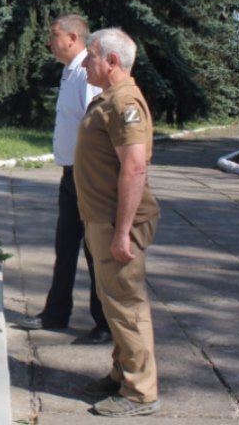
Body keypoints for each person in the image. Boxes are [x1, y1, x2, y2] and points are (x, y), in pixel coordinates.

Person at [74, 28, 161, 417]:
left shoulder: (124, 101)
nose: (84, 62)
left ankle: (140, 392)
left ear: (111, 62)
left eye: (90, 55)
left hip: (117, 222)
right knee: (112, 304)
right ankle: (121, 374)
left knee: (127, 306)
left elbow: (135, 166)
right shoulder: (107, 98)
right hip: (102, 220)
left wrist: (123, 232)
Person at [18, 15, 111, 345]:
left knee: (93, 250)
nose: (49, 41)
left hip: (87, 176)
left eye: (53, 35)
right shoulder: (70, 71)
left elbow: (96, 125)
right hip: (71, 174)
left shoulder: (87, 73)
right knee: (65, 246)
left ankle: (105, 325)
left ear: (72, 38)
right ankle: (56, 313)